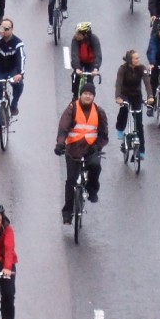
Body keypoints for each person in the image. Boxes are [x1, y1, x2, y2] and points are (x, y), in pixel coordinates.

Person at [55, 82, 109, 224]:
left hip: (91, 149)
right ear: (81, 95)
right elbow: (63, 128)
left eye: (90, 94)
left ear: (93, 96)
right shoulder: (72, 108)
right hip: (73, 149)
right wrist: (60, 144)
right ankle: (67, 213)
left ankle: (92, 190)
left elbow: (104, 134)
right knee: (71, 182)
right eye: (85, 93)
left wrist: (98, 146)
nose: (87, 96)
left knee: (95, 166)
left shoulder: (99, 111)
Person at [0, 18, 25, 131]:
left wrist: (20, 74)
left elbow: (22, 58)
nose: (4, 30)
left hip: (12, 70)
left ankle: (14, 104)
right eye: (2, 28)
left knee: (19, 85)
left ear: (12, 29)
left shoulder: (18, 43)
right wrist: (0, 36)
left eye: (7, 29)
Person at [114, 49, 147, 158]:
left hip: (136, 96)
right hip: (125, 95)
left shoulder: (142, 68)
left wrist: (150, 96)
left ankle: (141, 151)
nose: (138, 60)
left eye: (139, 58)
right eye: (136, 58)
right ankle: (120, 128)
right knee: (124, 108)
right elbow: (118, 84)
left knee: (139, 124)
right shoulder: (122, 69)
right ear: (130, 60)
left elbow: (147, 83)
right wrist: (118, 97)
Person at [70, 22, 102, 97]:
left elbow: (98, 55)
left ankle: (91, 96)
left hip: (91, 62)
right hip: (80, 61)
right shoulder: (75, 39)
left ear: (85, 35)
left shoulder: (94, 39)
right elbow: (74, 55)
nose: (76, 35)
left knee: (89, 81)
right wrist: (77, 68)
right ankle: (75, 96)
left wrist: (95, 69)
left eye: (78, 34)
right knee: (75, 77)